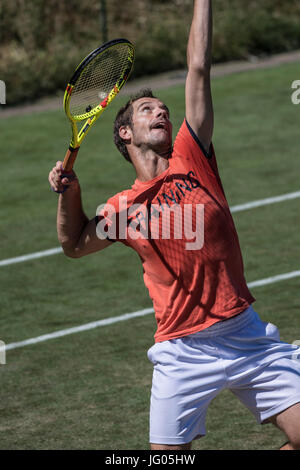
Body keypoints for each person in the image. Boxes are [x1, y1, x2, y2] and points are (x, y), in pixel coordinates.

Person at [48, 0, 300, 451]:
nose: (161, 112)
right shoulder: (122, 209)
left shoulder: (192, 155)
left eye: (163, 108)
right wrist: (71, 193)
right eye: (147, 110)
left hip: (244, 333)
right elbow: (73, 245)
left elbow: (198, 68)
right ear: (125, 133)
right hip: (182, 350)